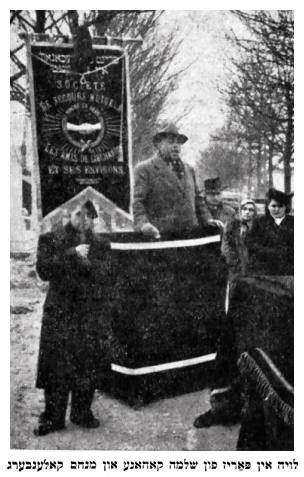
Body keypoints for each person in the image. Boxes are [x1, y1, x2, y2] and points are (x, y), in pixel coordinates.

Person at [34, 200, 109, 436]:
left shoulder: (101, 244)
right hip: (60, 311)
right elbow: (44, 271)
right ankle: (53, 417)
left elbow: (107, 273)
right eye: (79, 214)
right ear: (69, 213)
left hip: (87, 312)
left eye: (89, 216)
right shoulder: (51, 239)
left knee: (86, 363)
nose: (84, 220)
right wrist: (71, 254)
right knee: (56, 365)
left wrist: (88, 262)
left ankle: (81, 412)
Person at [133, 123, 218, 238]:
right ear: (158, 144)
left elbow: (198, 200)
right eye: (171, 142)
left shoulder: (189, 169)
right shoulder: (145, 169)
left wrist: (208, 220)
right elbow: (138, 203)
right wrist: (143, 224)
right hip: (161, 236)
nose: (176, 146)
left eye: (179, 142)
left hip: (190, 235)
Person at [246, 188, 294, 276]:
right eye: (273, 206)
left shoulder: (293, 222)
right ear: (268, 206)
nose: (277, 209)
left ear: (286, 207)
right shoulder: (259, 222)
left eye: (280, 206)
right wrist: (268, 252)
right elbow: (250, 243)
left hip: (288, 270)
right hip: (264, 269)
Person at [221, 199, 257, 283]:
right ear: (240, 210)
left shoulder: (256, 227)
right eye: (244, 209)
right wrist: (234, 263)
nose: (247, 212)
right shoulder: (231, 225)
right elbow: (226, 247)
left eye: (250, 210)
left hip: (250, 266)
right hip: (235, 266)